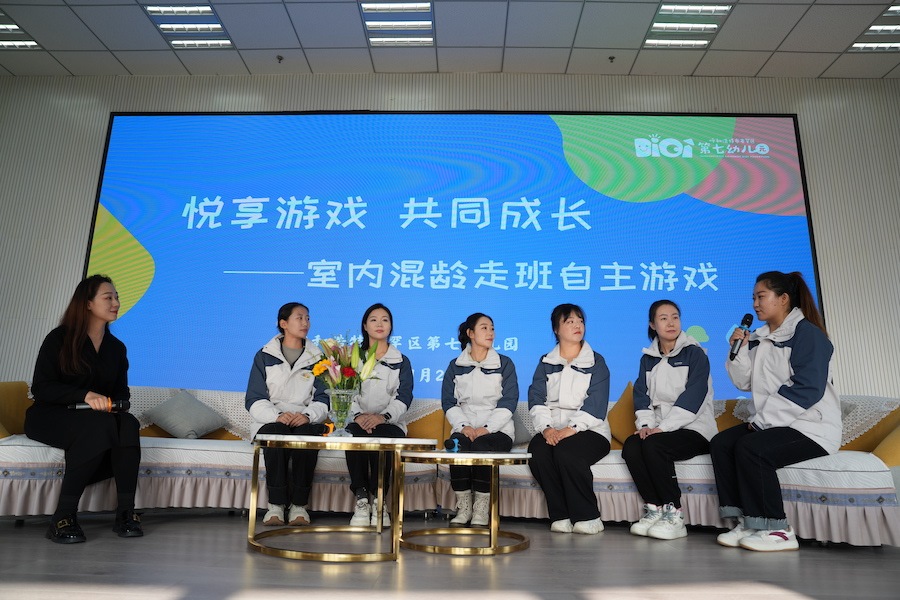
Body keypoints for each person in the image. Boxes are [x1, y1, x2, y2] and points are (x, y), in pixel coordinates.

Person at [712, 271, 841, 552]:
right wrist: (738, 351)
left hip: (811, 427)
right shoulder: (759, 338)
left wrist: (762, 422)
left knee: (751, 448)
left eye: (761, 297)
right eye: (754, 298)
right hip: (777, 424)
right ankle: (748, 521)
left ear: (783, 299)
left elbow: (807, 388)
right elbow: (744, 382)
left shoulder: (808, 334)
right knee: (721, 443)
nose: (755, 304)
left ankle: (778, 529)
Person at [26, 274, 142, 544]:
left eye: (116, 297)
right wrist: (85, 395)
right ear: (88, 303)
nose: (116, 303)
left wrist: (116, 404)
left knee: (128, 424)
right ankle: (63, 517)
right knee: (99, 426)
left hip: (95, 419)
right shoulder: (59, 338)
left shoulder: (116, 348)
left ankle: (126, 513)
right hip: (50, 416)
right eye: (108, 297)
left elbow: (122, 392)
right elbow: (42, 388)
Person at [622, 300, 717, 540]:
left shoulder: (695, 353)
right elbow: (641, 396)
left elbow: (694, 396)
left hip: (694, 429)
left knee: (655, 445)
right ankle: (654, 509)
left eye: (675, 317)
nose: (671, 322)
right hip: (661, 429)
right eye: (663, 318)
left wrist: (662, 428)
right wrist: (646, 426)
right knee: (632, 446)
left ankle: (674, 514)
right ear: (652, 325)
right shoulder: (648, 359)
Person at [528, 303, 610, 535]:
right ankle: (560, 514)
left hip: (591, 430)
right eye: (570, 321)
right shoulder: (546, 362)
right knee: (538, 451)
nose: (577, 325)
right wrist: (546, 429)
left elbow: (597, 403)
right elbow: (536, 398)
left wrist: (571, 429)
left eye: (580, 320)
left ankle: (589, 516)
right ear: (556, 329)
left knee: (567, 452)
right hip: (554, 430)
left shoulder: (596, 361)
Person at [245, 302, 329, 527]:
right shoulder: (265, 355)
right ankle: (276, 505)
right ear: (283, 324)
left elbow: (324, 397)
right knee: (276, 432)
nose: (305, 323)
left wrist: (308, 415)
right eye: (299, 318)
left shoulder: (318, 358)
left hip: (304, 418)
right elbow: (254, 398)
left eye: (307, 318)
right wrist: (277, 415)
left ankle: (299, 506)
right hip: (273, 419)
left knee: (307, 435)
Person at [442, 313, 517, 527]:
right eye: (484, 328)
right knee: (457, 446)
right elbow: (449, 402)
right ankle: (464, 506)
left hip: (498, 430)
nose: (490, 332)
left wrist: (487, 428)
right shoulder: (455, 365)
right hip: (465, 427)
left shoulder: (505, 363)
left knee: (482, 446)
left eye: (492, 328)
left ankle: (482, 508)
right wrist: (464, 427)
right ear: (470, 333)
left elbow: (509, 401)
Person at [345, 303, 413, 527]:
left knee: (383, 436)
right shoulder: (352, 359)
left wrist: (382, 417)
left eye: (385, 319)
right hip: (357, 421)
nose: (380, 324)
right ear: (365, 326)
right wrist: (358, 416)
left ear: (391, 326)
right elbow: (345, 390)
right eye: (373, 319)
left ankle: (379, 501)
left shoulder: (401, 361)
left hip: (390, 422)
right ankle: (362, 498)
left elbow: (404, 397)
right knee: (354, 436)